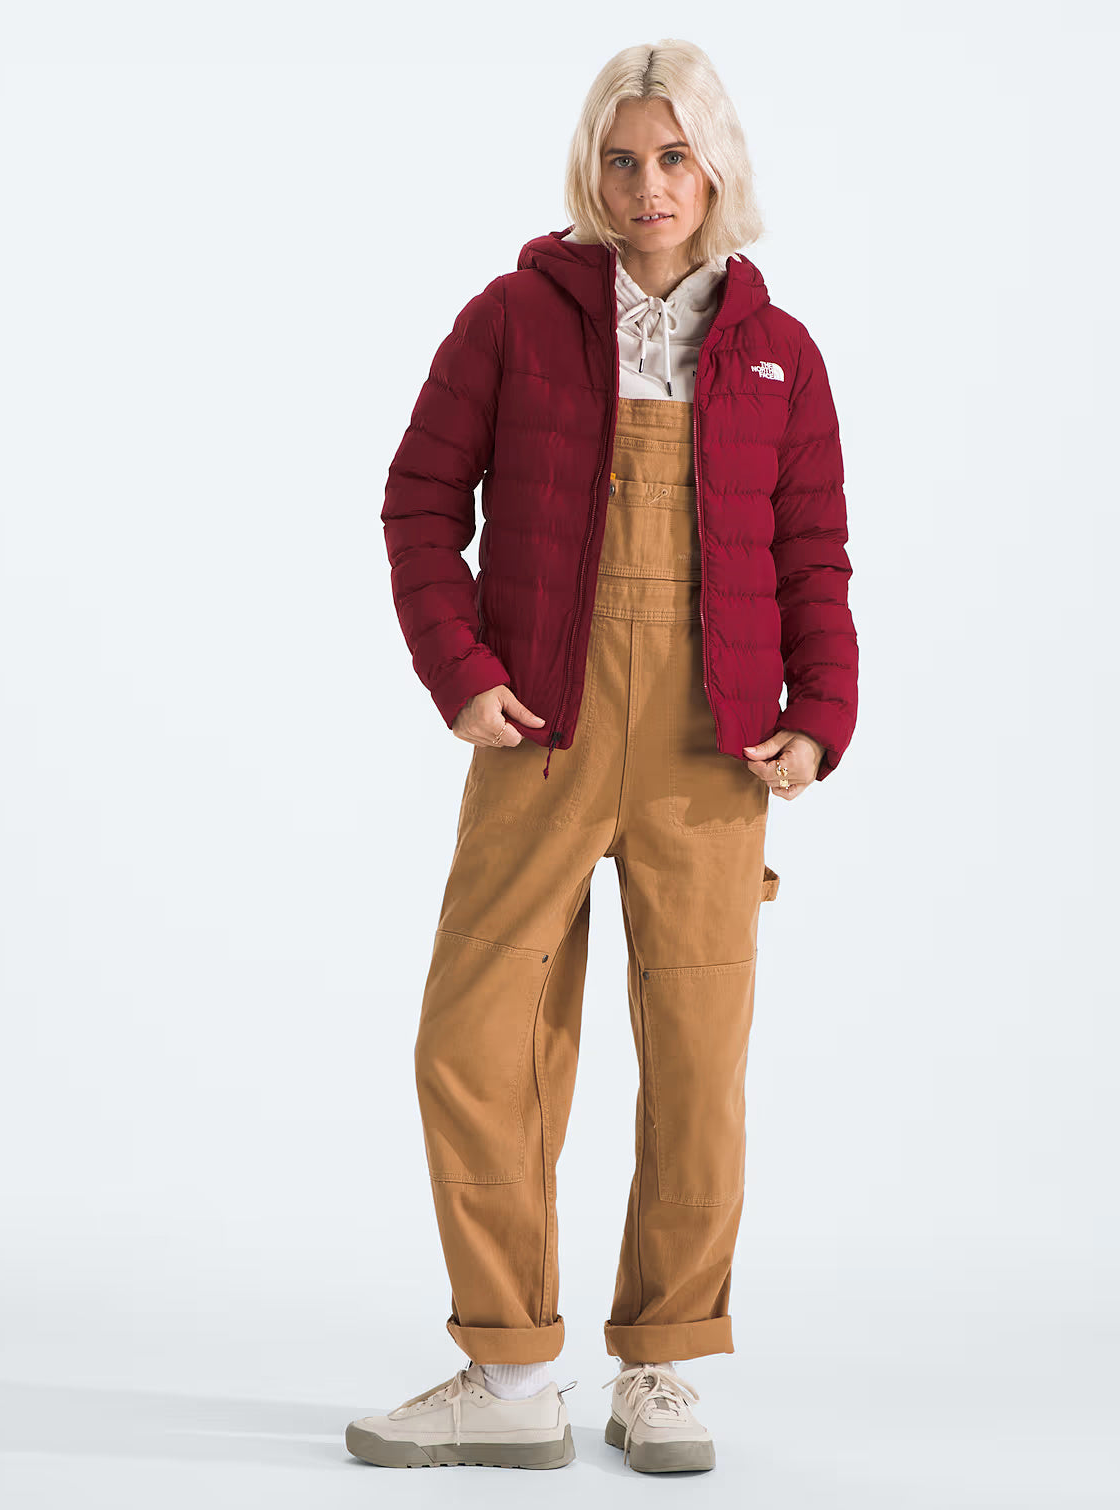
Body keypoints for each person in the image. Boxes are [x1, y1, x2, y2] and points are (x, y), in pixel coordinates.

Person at [346, 37, 858, 1475]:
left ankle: (663, 1368)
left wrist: (820, 711)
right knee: (475, 1041)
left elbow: (814, 551)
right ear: (592, 169)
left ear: (716, 166)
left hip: (713, 750)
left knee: (696, 1061)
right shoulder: (512, 319)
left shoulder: (777, 352)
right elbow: (418, 503)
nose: (649, 186)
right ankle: (511, 1373)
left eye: (675, 157)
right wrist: (462, 674)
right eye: (623, 159)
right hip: (540, 733)